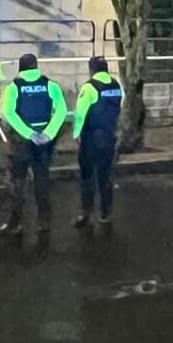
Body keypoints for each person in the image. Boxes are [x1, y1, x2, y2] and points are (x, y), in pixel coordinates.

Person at [0, 53, 67, 242]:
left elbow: (8, 112)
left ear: (21, 68)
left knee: (17, 183)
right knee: (42, 180)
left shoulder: (14, 87)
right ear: (36, 67)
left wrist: (29, 134)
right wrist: (48, 134)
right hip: (44, 142)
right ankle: (44, 222)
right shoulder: (51, 85)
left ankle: (15, 223)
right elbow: (62, 111)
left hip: (21, 142)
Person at [71, 57, 125, 230]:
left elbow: (80, 113)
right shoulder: (117, 85)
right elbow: (121, 108)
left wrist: (76, 134)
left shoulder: (89, 87)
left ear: (91, 70)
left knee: (87, 176)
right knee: (106, 176)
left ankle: (86, 212)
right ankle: (105, 213)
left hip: (91, 138)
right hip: (109, 137)